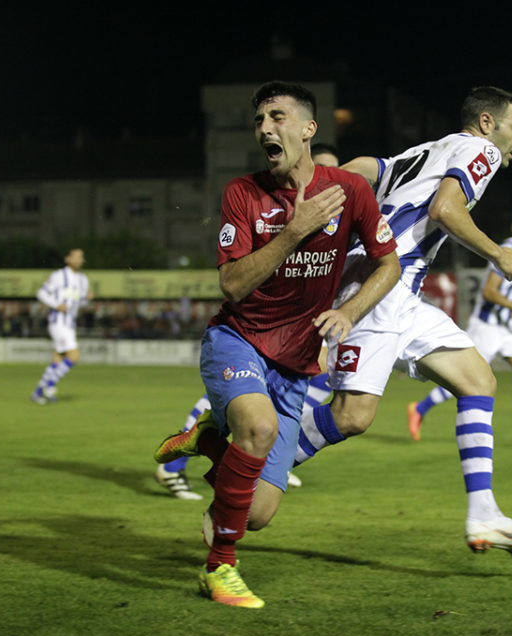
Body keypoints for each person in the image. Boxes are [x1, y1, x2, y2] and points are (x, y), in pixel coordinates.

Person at [154, 81, 399, 608]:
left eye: (278, 116)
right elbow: (232, 285)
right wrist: (293, 232)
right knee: (260, 429)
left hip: (296, 363)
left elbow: (389, 262)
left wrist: (350, 311)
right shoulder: (242, 194)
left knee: (257, 513)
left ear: (309, 129)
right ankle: (219, 570)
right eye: (260, 119)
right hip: (237, 339)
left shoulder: (349, 191)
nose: (266, 127)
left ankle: (210, 441)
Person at [290, 86, 512, 556]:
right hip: (380, 287)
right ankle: (254, 465)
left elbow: (374, 168)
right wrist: (498, 255)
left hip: (398, 292)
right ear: (488, 124)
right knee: (350, 416)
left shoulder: (434, 148)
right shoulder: (481, 150)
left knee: (478, 381)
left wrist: (320, 182)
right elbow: (444, 210)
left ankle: (484, 512)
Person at [155, 143, 343, 500]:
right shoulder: (273, 207)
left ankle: (262, 462)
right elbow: (240, 273)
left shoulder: (338, 213)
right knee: (242, 393)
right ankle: (177, 467)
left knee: (281, 391)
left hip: (306, 324)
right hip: (261, 326)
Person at [407, 206, 512, 447]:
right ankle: (420, 409)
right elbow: (489, 292)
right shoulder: (509, 249)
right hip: (487, 325)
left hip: (505, 323)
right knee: (467, 378)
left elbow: (511, 291)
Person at [30, 248, 92, 404]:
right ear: (68, 259)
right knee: (74, 356)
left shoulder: (83, 280)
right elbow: (41, 293)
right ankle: (49, 386)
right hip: (58, 322)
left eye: (81, 257)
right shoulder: (58, 276)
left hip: (70, 324)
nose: (79, 260)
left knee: (58, 359)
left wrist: (87, 299)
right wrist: (57, 304)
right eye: (76, 257)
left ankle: (38, 392)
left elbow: (79, 302)